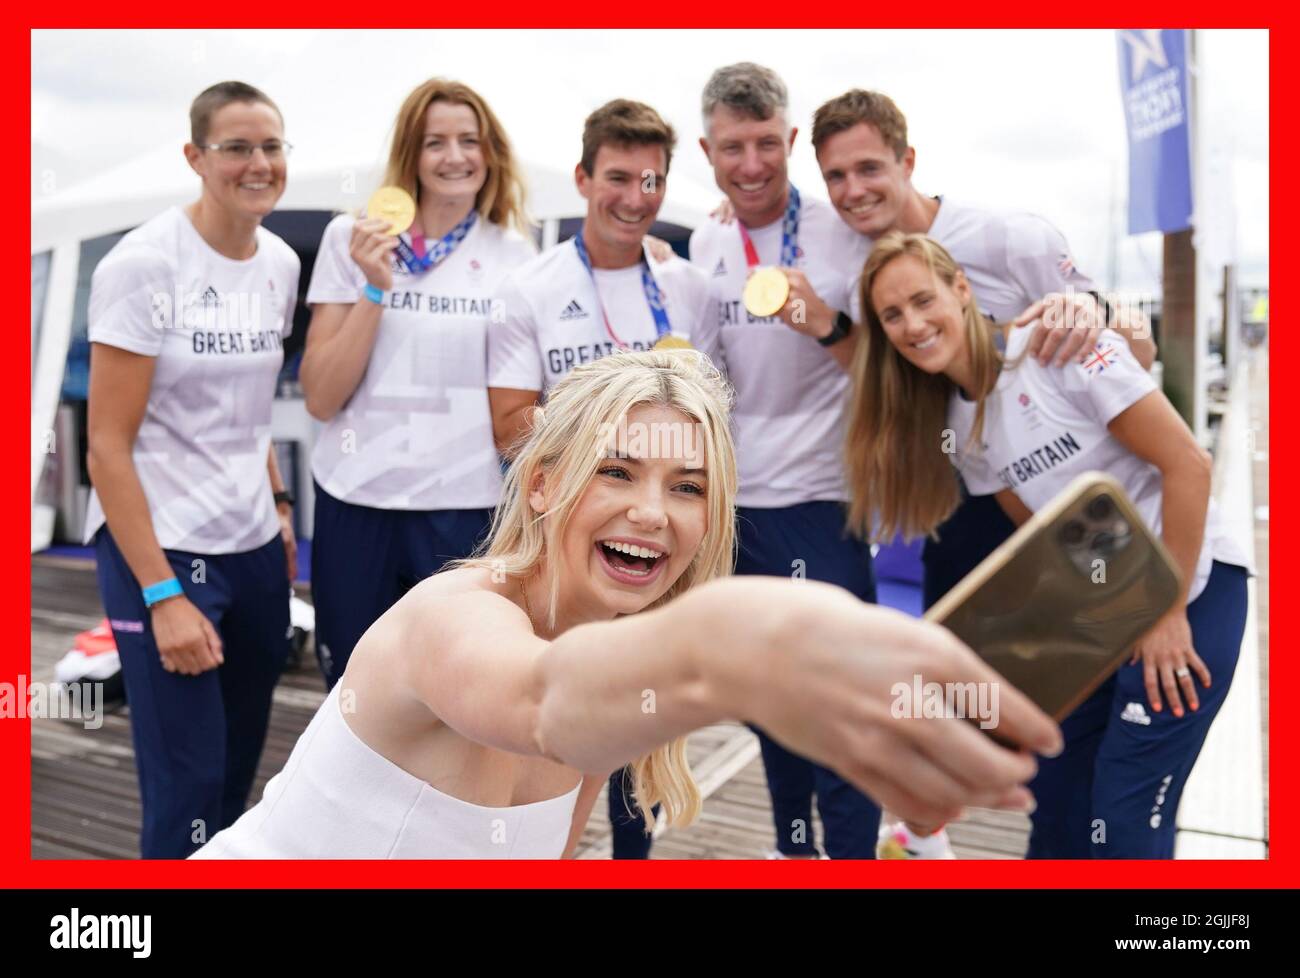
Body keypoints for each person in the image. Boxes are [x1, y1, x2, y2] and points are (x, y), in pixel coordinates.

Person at [191, 349, 1062, 860]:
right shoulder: (451, 615)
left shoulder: (613, 669)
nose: (652, 512)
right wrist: (745, 646)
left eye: (688, 487)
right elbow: (541, 700)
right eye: (617, 471)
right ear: (542, 484)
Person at [809, 88, 1158, 857]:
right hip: (964, 493)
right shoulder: (847, 256)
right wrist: (827, 325)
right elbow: (883, 375)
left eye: (869, 168)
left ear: (908, 160)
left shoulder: (1006, 237)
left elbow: (1129, 344)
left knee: (1070, 723)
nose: (853, 190)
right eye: (835, 176)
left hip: (1056, 499)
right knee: (952, 702)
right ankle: (925, 838)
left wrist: (1104, 315)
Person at [847, 233, 1252, 859]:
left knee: (1125, 818)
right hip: (1112, 605)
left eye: (923, 300)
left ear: (961, 289)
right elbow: (1053, 536)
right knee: (1058, 800)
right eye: (893, 315)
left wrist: (1164, 611)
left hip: (1191, 588)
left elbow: (1189, 466)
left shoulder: (1058, 347)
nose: (913, 325)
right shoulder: (959, 421)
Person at [487, 98, 713, 857]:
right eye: (617, 177)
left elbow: (709, 418)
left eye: (652, 181)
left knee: (643, 727)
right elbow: (510, 425)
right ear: (582, 179)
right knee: (559, 717)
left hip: (654, 542)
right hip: (572, 541)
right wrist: (610, 455)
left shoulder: (688, 287)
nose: (634, 197)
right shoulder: (530, 286)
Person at [84, 81, 300, 858]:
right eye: (236, 147)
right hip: (164, 550)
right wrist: (164, 594)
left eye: (271, 146)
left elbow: (249, 408)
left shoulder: (280, 262)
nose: (258, 163)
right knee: (187, 785)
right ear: (195, 157)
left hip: (252, 546)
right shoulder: (144, 266)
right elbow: (105, 446)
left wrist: (279, 504)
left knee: (238, 772)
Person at [687, 63, 882, 860]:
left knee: (844, 704)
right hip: (741, 510)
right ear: (707, 151)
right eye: (733, 148)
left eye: (767, 143)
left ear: (792, 139)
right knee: (772, 704)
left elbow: (894, 374)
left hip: (824, 501)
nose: (752, 165)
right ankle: (795, 854)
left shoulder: (847, 231)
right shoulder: (706, 240)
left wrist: (829, 324)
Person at [300, 78, 536, 689]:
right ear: (412, 153)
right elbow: (321, 397)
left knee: (458, 692)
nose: (455, 157)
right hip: (359, 500)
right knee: (352, 689)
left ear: (490, 152)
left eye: (469, 141)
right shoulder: (352, 239)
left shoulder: (516, 254)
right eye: (435, 142)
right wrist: (375, 288)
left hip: (466, 509)